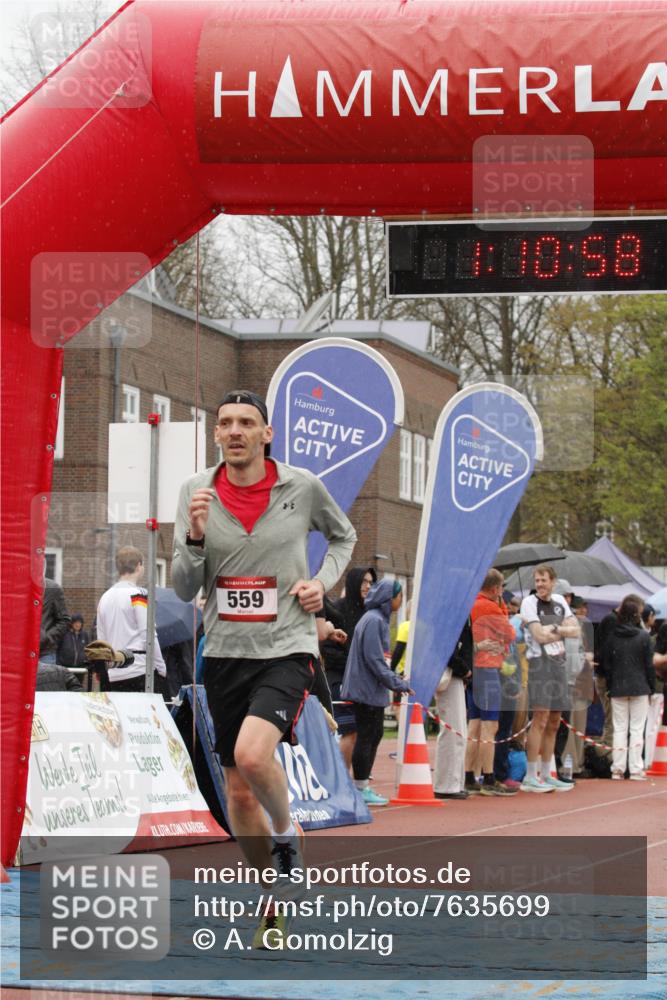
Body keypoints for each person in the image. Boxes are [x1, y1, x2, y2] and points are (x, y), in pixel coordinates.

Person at [171, 389, 356, 945]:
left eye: (246, 423)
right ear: (216, 434)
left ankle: (286, 834)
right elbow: (185, 587)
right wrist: (195, 537)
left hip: (286, 645)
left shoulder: (301, 487)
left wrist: (321, 585)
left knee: (254, 754)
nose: (234, 431)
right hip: (225, 652)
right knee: (238, 792)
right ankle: (272, 897)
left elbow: (344, 536)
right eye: (225, 423)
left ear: (265, 434)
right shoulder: (195, 492)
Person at [341, 578, 413, 806]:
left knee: (374, 734)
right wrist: (397, 683)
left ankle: (361, 785)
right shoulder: (373, 620)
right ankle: (360, 787)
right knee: (367, 735)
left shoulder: (377, 619)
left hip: (371, 688)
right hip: (366, 689)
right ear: (388, 598)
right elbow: (375, 659)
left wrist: (392, 681)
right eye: (399, 596)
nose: (401, 601)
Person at [520, 564, 580, 793]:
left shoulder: (560, 602)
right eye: (537, 581)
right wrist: (559, 629)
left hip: (559, 664)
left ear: (552, 581)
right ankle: (530, 775)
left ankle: (547, 773)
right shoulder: (529, 603)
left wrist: (554, 627)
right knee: (540, 719)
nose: (540, 585)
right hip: (539, 664)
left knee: (555, 721)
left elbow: (575, 630)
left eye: (543, 580)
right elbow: (538, 636)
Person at [463, 569, 518, 797]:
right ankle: (488, 776)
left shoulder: (472, 604)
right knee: (490, 726)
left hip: (475, 670)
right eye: (502, 588)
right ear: (495, 589)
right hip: (488, 669)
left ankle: (469, 776)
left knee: (474, 724)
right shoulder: (489, 606)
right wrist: (503, 608)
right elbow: (510, 633)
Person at [319, 567, 376, 769]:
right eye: (364, 582)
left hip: (364, 684)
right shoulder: (337, 610)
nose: (368, 586)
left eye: (371, 582)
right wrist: (354, 665)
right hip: (340, 680)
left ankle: (359, 783)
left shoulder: (370, 614)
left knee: (365, 733)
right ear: (353, 583)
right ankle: (343, 783)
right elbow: (327, 648)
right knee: (348, 731)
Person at [96, 546, 167, 693]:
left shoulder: (105, 597)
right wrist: (161, 666)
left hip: (114, 674)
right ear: (139, 566)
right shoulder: (138, 595)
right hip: (139, 671)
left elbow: (101, 640)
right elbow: (148, 634)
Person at [603, 595, 656, 780]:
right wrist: (651, 686)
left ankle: (617, 768)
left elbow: (606, 665)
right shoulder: (643, 637)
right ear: (636, 615)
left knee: (619, 728)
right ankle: (635, 768)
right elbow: (649, 665)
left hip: (618, 687)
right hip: (640, 686)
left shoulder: (612, 637)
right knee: (636, 729)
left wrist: (610, 685)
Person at [434, 618, 473, 799]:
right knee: (453, 729)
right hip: (451, 674)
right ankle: (446, 784)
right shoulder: (451, 613)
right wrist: (463, 669)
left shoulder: (460, 612)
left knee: (458, 731)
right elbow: (445, 646)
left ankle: (454, 782)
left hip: (457, 674)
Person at [40, 577, 71, 664]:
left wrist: (46, 637)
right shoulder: (15, 587)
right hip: (18, 653)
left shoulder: (52, 589)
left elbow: (64, 620)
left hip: (44, 653)